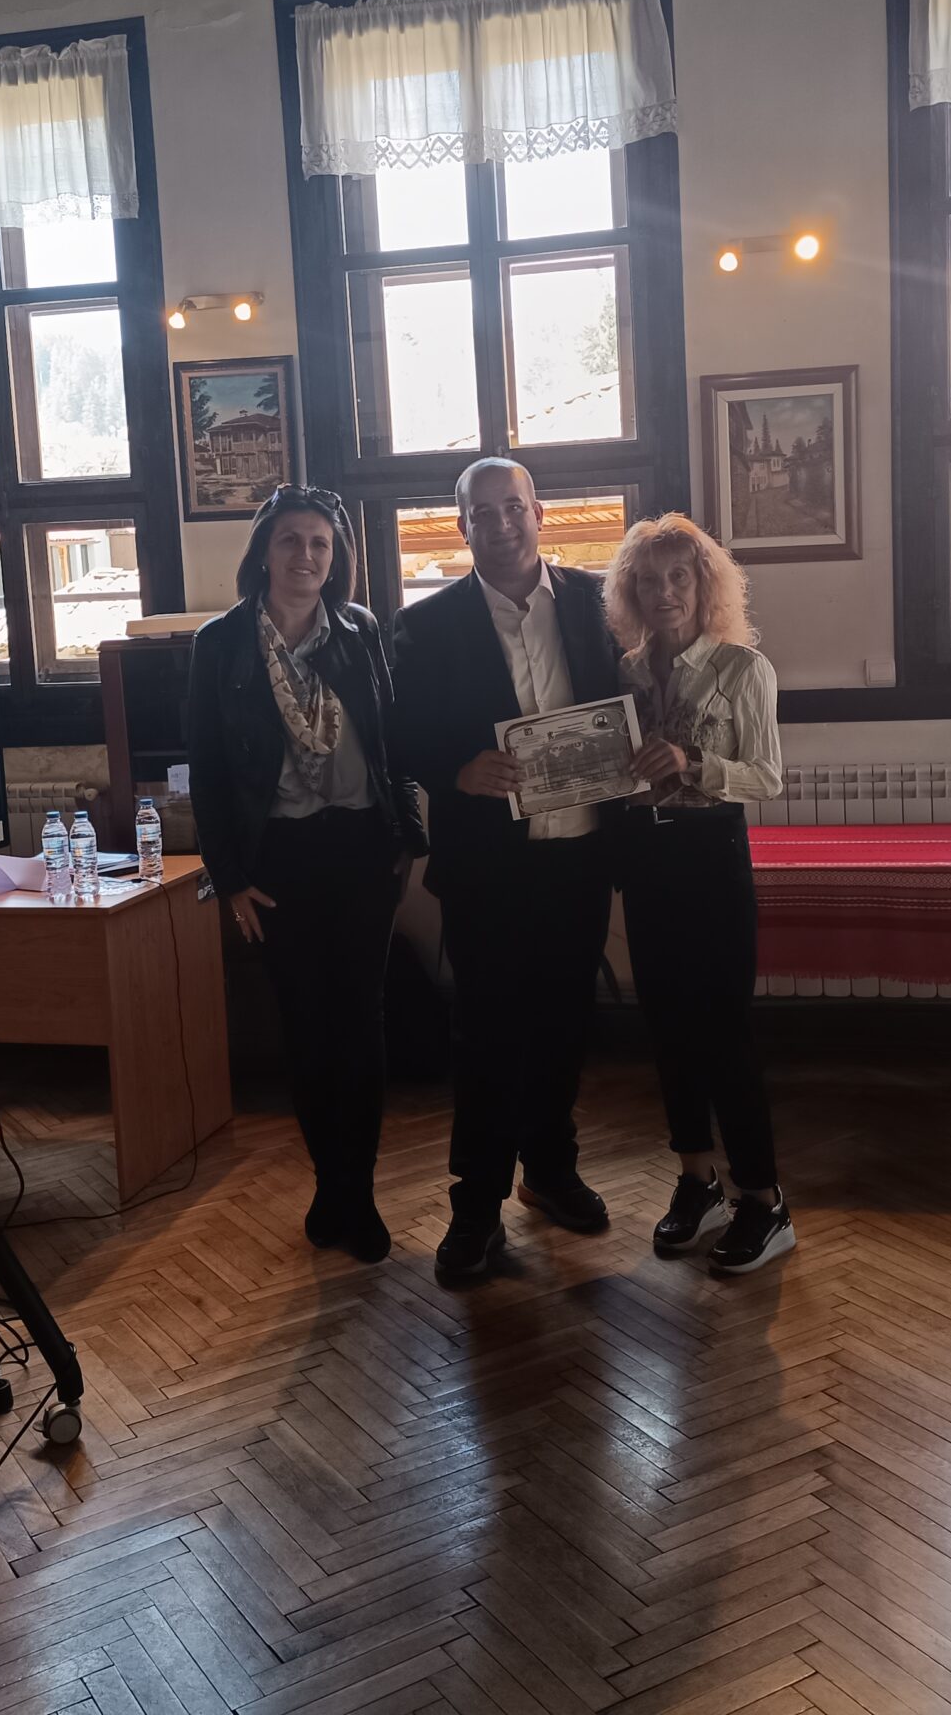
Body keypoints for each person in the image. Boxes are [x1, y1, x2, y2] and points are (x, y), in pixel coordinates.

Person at [391, 457, 622, 1283]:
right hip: (487, 868)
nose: (499, 523)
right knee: (486, 1036)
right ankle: (476, 1208)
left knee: (564, 1023)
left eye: (512, 507)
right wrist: (456, 770)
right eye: (481, 513)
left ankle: (551, 1171)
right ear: (462, 528)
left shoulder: (600, 601)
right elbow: (399, 734)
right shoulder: (424, 625)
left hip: (581, 854)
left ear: (539, 513)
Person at [186, 485, 426, 1265]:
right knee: (305, 1028)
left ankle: (359, 1191)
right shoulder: (221, 645)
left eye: (320, 543)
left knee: (360, 1025)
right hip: (278, 859)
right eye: (290, 540)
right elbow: (209, 773)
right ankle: (331, 1181)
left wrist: (407, 837)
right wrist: (229, 878)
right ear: (264, 551)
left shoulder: (359, 631)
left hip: (360, 850)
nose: (306, 556)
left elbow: (393, 745)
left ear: (336, 556)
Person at [607, 513, 794, 1275]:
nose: (665, 593)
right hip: (644, 859)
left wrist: (694, 765)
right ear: (632, 592)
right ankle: (698, 1183)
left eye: (678, 576)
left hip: (712, 857)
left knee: (723, 1033)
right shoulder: (622, 675)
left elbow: (769, 779)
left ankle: (765, 1201)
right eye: (649, 581)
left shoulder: (744, 669)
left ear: (703, 583)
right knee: (667, 1027)